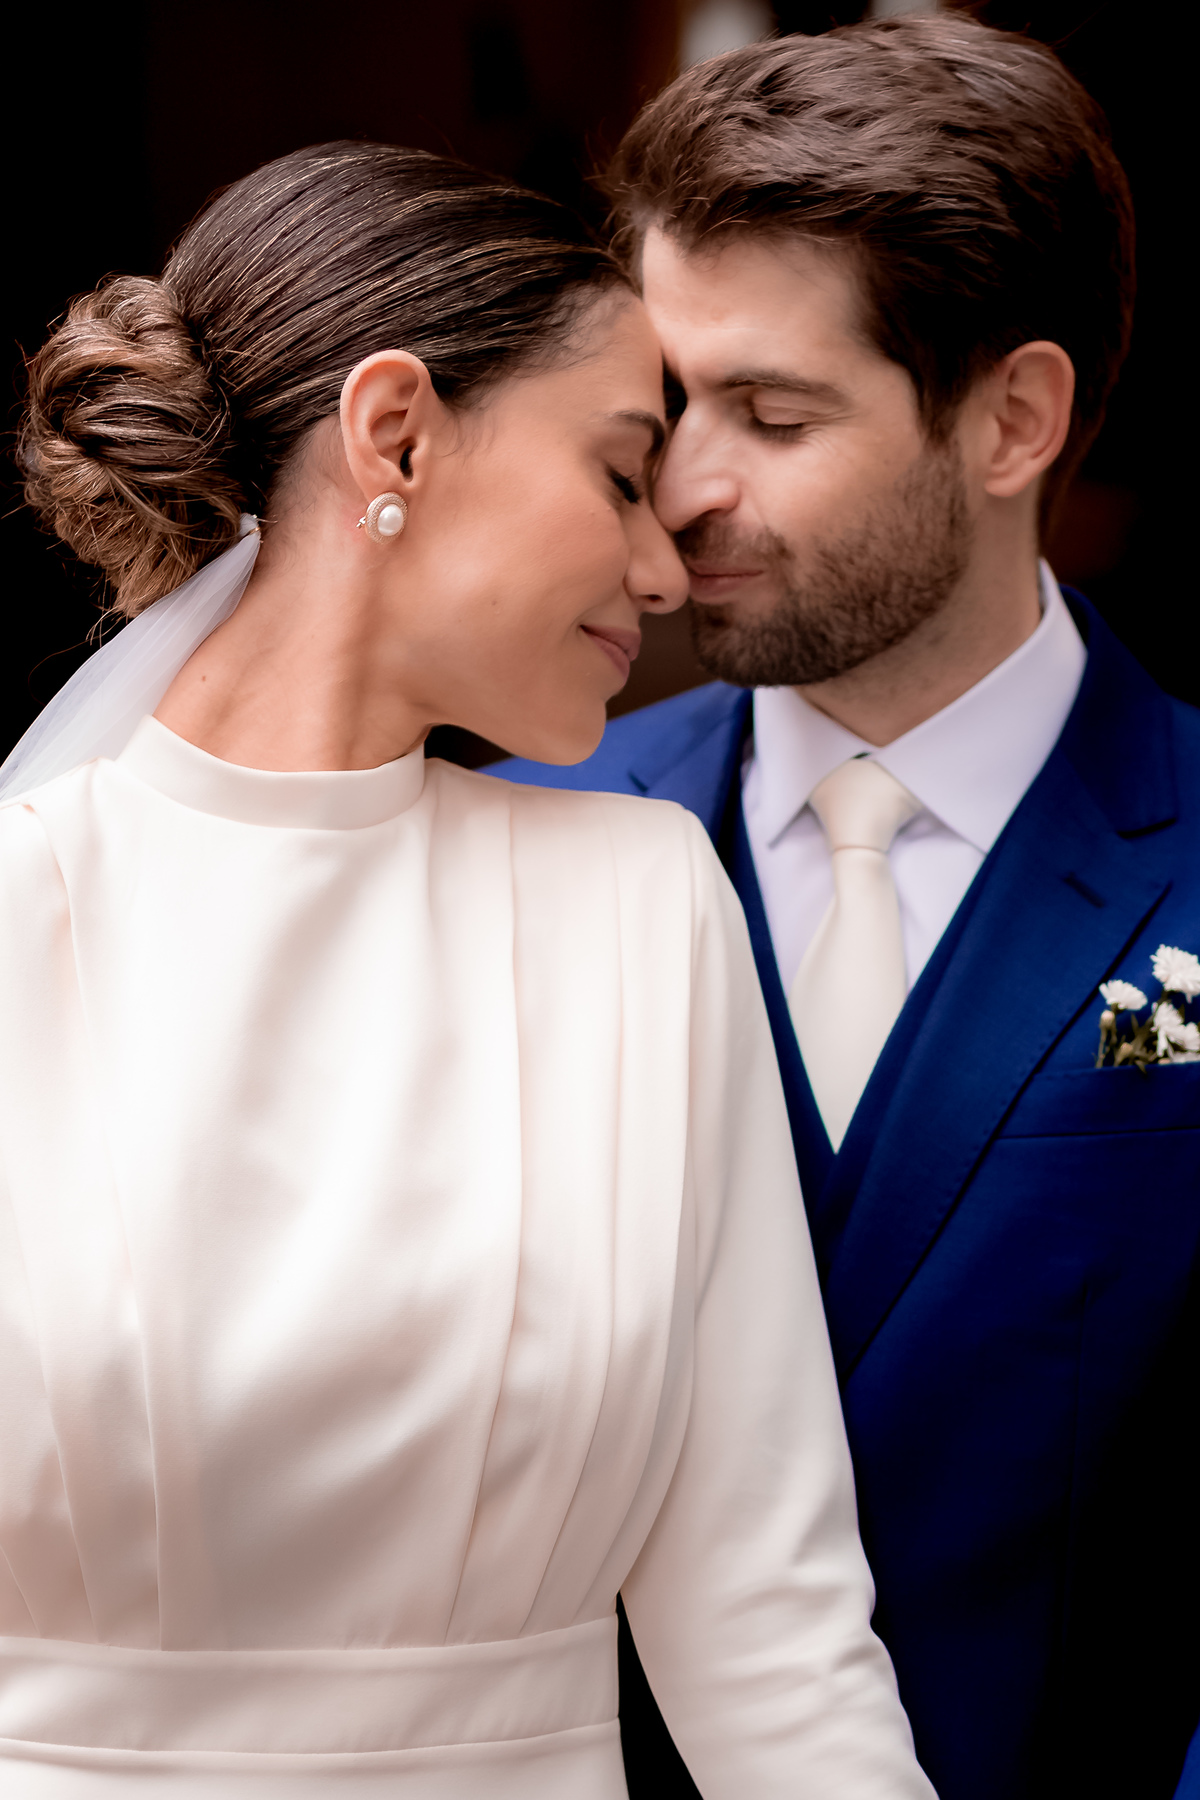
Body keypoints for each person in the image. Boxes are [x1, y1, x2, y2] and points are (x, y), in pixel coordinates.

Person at [0, 141, 936, 1797]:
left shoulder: (646, 910)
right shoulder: (25, 908)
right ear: (399, 435)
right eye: (621, 472)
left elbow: (771, 1628)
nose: (665, 572)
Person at [494, 16, 1200, 1800]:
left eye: (774, 413)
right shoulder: (516, 835)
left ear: (1013, 418)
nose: (684, 487)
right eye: (670, 406)